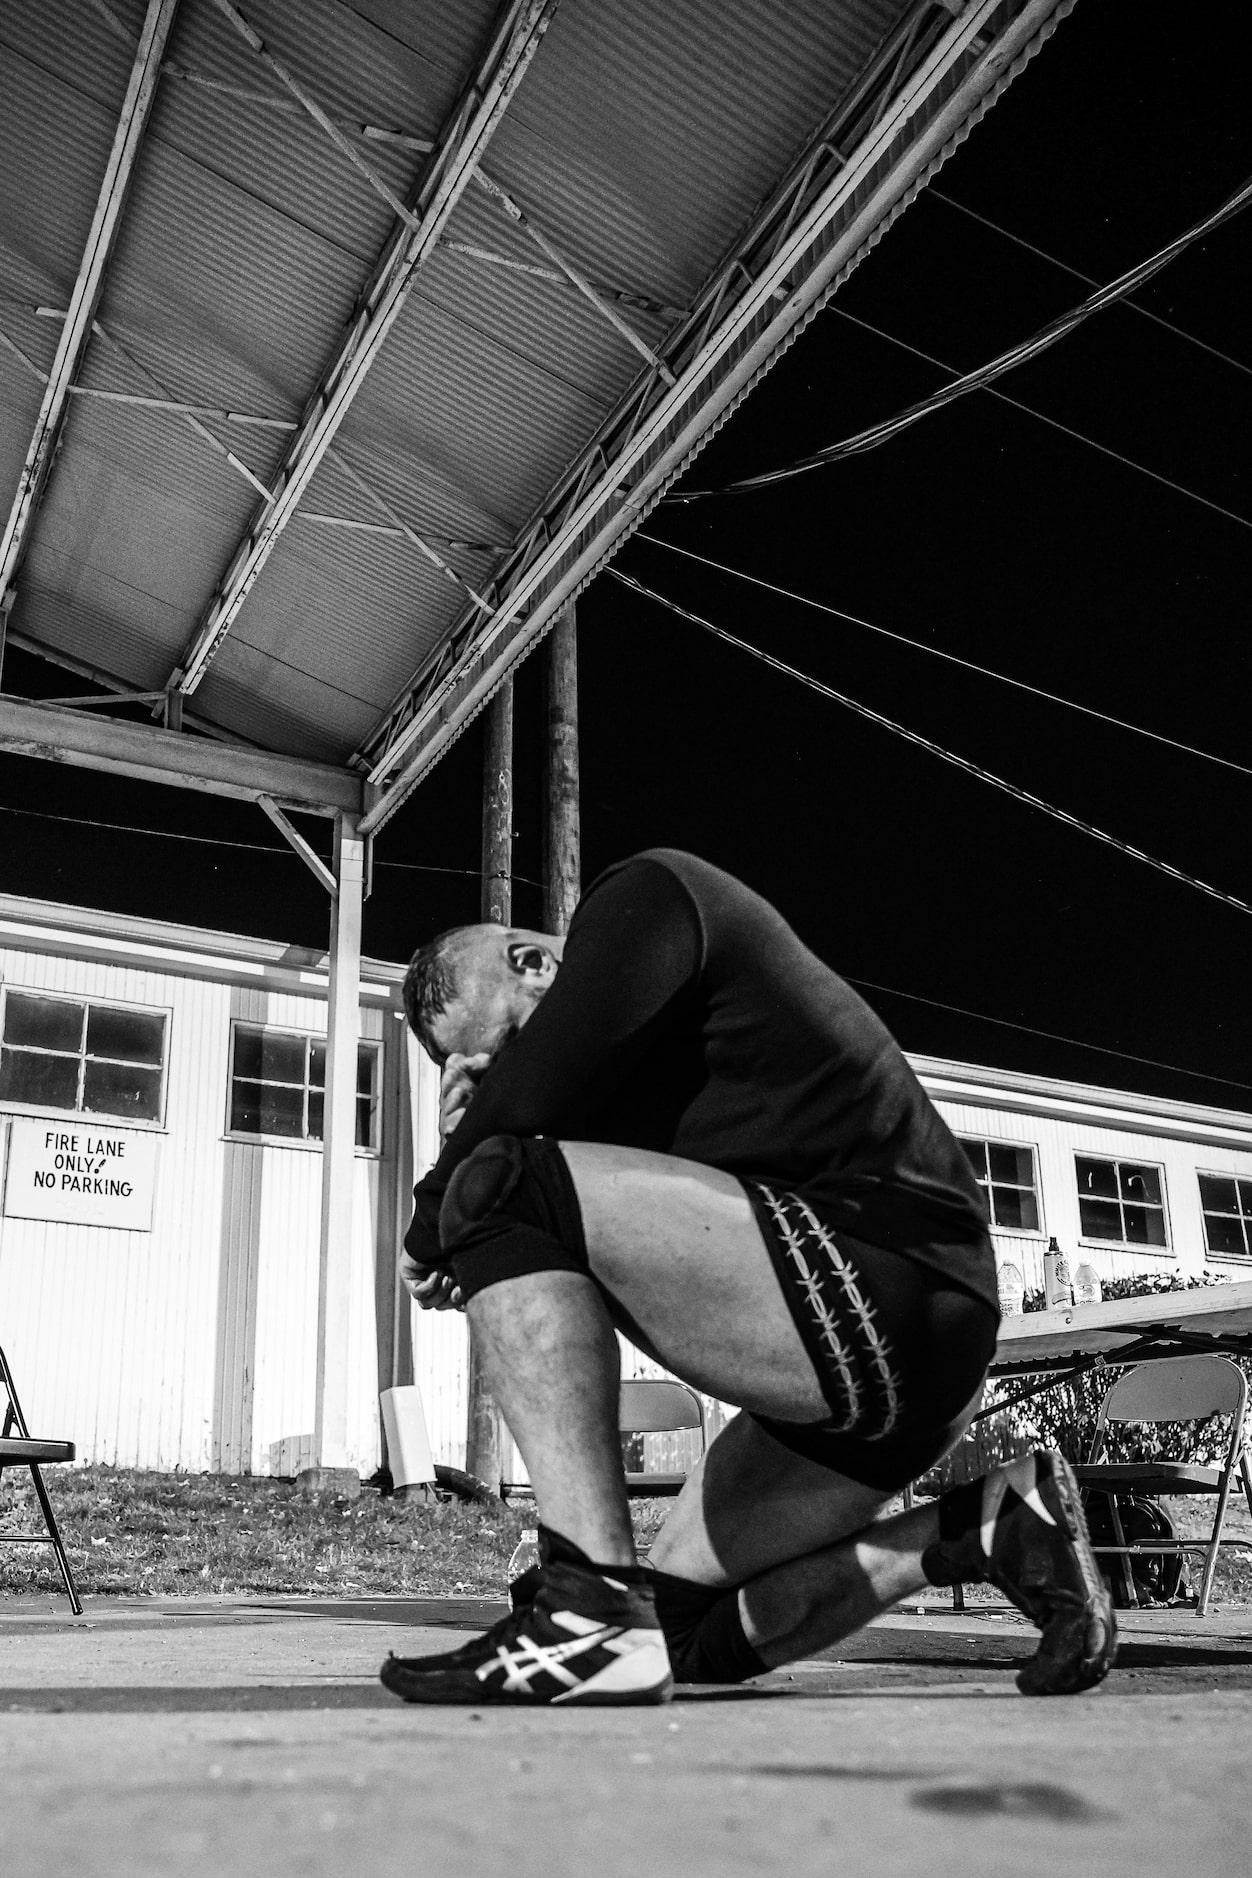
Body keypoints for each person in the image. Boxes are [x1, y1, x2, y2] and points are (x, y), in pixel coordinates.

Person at [379, 850, 1115, 1706]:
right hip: (886, 1369)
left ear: (536, 964)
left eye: (501, 1048)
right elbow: (536, 1186)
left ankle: (585, 1611)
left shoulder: (649, 901)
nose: (504, 1079)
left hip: (890, 1274)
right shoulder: (608, 1112)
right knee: (676, 1634)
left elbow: (500, 1163)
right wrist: (469, 1189)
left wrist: (450, 1200)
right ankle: (985, 1527)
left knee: (501, 1182)